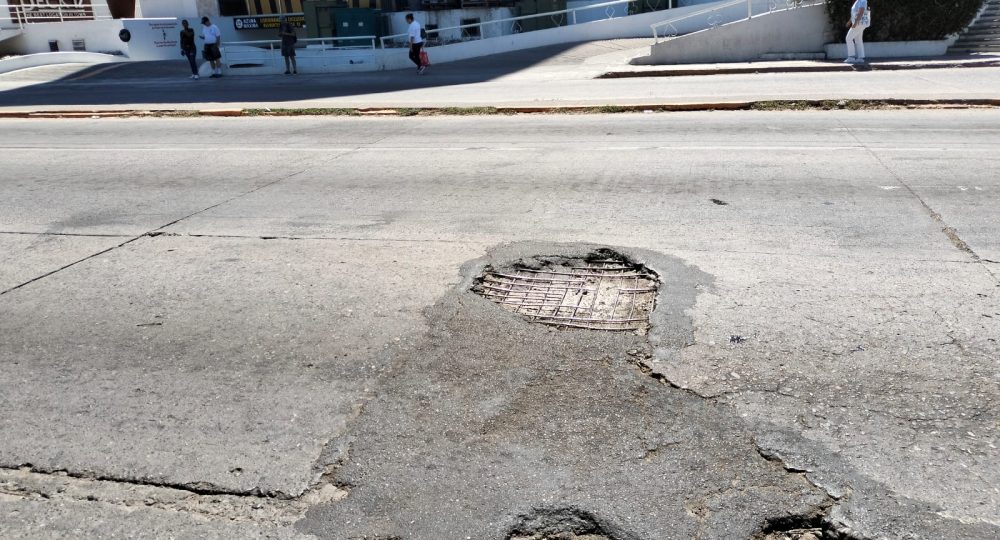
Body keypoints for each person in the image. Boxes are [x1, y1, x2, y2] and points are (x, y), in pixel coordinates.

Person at [845, 0, 871, 64]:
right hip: (859, 23)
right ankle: (861, 58)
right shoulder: (858, 1)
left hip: (858, 24)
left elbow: (861, 11)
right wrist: (850, 21)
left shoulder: (862, 0)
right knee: (858, 40)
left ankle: (851, 57)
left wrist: (856, 22)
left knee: (848, 38)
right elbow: (855, 13)